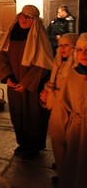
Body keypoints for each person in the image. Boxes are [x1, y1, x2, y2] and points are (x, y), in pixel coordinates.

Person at [0, 4, 54, 161]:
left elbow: (44, 64)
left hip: (32, 86)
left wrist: (27, 83)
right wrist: (7, 77)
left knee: (33, 116)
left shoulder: (39, 37)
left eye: (28, 17)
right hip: (14, 83)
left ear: (34, 20)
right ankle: (23, 143)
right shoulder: (12, 34)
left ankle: (34, 146)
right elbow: (2, 58)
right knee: (17, 114)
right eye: (22, 15)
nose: (24, 19)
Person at [39, 33, 79, 184]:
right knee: (58, 142)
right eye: (60, 45)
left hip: (68, 112)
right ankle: (62, 170)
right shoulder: (59, 62)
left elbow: (71, 92)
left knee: (69, 145)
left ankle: (66, 176)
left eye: (66, 45)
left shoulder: (76, 67)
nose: (62, 48)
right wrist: (46, 91)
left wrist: (52, 95)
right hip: (56, 109)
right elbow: (53, 82)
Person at [50, 32, 87, 188]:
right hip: (75, 127)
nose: (83, 53)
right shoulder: (74, 73)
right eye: (80, 50)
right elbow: (64, 100)